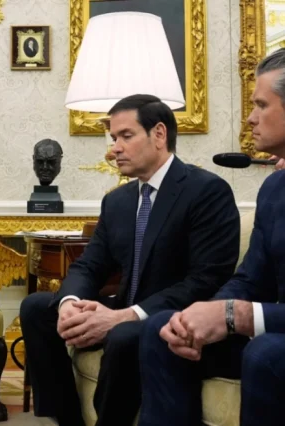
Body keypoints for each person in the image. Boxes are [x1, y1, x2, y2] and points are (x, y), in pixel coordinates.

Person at [19, 94, 240, 426]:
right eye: (113, 138)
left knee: (124, 335)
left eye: (125, 136)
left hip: (174, 316)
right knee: (37, 307)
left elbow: (205, 280)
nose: (114, 149)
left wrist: (125, 316)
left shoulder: (207, 191)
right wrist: (70, 302)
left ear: (159, 134)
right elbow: (90, 264)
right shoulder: (118, 201)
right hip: (126, 307)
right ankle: (67, 419)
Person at [138, 48, 285, 426]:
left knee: (267, 352)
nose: (250, 118)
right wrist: (202, 317)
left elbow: (245, 312)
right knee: (162, 329)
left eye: (261, 105)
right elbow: (250, 279)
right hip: (275, 328)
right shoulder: (274, 189)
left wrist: (236, 316)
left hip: (274, 341)